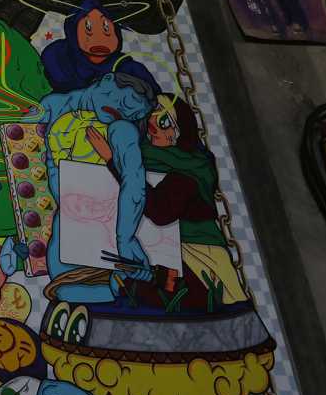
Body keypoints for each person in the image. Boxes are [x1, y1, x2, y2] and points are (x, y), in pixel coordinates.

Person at [86, 94, 249, 310]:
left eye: (163, 121)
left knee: (143, 293)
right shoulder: (147, 155)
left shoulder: (190, 168)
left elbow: (160, 212)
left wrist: (112, 160)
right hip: (159, 248)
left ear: (181, 130)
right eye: (149, 119)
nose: (153, 127)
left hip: (196, 254)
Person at [40, 0, 162, 96]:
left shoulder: (129, 69)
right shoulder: (59, 61)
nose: (99, 39)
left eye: (106, 27)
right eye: (88, 28)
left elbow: (158, 101)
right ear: (73, 33)